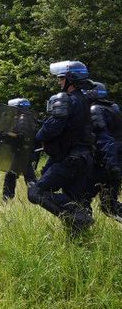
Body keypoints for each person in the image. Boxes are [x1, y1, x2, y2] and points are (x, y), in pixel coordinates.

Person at [27, 61, 94, 233]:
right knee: (73, 198)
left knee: (36, 193)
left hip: (69, 159)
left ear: (70, 79)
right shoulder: (86, 100)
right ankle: (79, 237)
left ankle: (79, 217)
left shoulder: (67, 100)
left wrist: (37, 136)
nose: (59, 82)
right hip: (84, 159)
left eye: (62, 78)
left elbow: (51, 129)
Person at [82, 82, 122, 221]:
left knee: (80, 197)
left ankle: (83, 231)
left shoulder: (95, 110)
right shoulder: (114, 108)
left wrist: (112, 165)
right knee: (109, 207)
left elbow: (104, 140)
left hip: (105, 164)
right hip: (114, 162)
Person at [1, 98, 38, 201]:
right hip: (23, 152)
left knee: (28, 177)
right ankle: (7, 199)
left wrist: (6, 136)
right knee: (12, 175)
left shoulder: (22, 119)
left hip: (22, 153)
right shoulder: (28, 118)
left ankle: (38, 196)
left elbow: (20, 137)